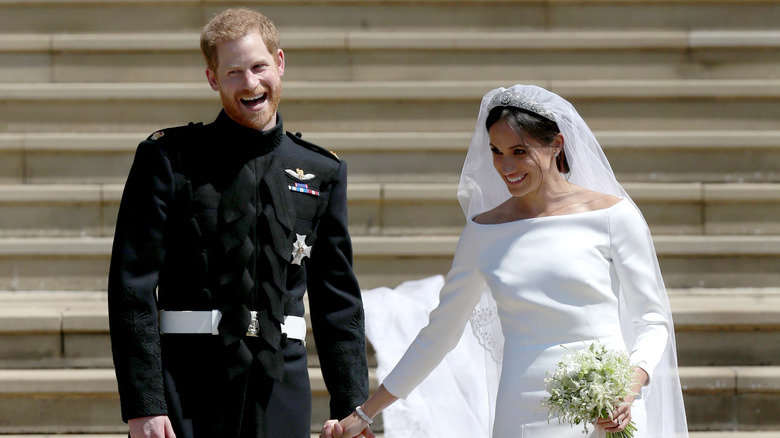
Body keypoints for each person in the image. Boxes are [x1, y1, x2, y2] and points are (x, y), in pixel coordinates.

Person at [321, 84, 688, 438]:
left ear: (556, 145)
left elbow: (653, 321)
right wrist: (365, 412)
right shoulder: (483, 231)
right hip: (523, 409)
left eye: (519, 151)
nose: (505, 165)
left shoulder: (613, 216)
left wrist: (629, 387)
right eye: (497, 151)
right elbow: (439, 334)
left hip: (609, 408)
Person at [108, 8, 368, 438]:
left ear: (279, 63)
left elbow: (338, 302)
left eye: (258, 67)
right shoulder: (168, 160)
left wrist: (350, 407)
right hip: (187, 384)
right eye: (233, 73)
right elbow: (131, 288)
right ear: (213, 79)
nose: (250, 84)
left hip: (281, 386)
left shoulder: (321, 171)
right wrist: (144, 403)